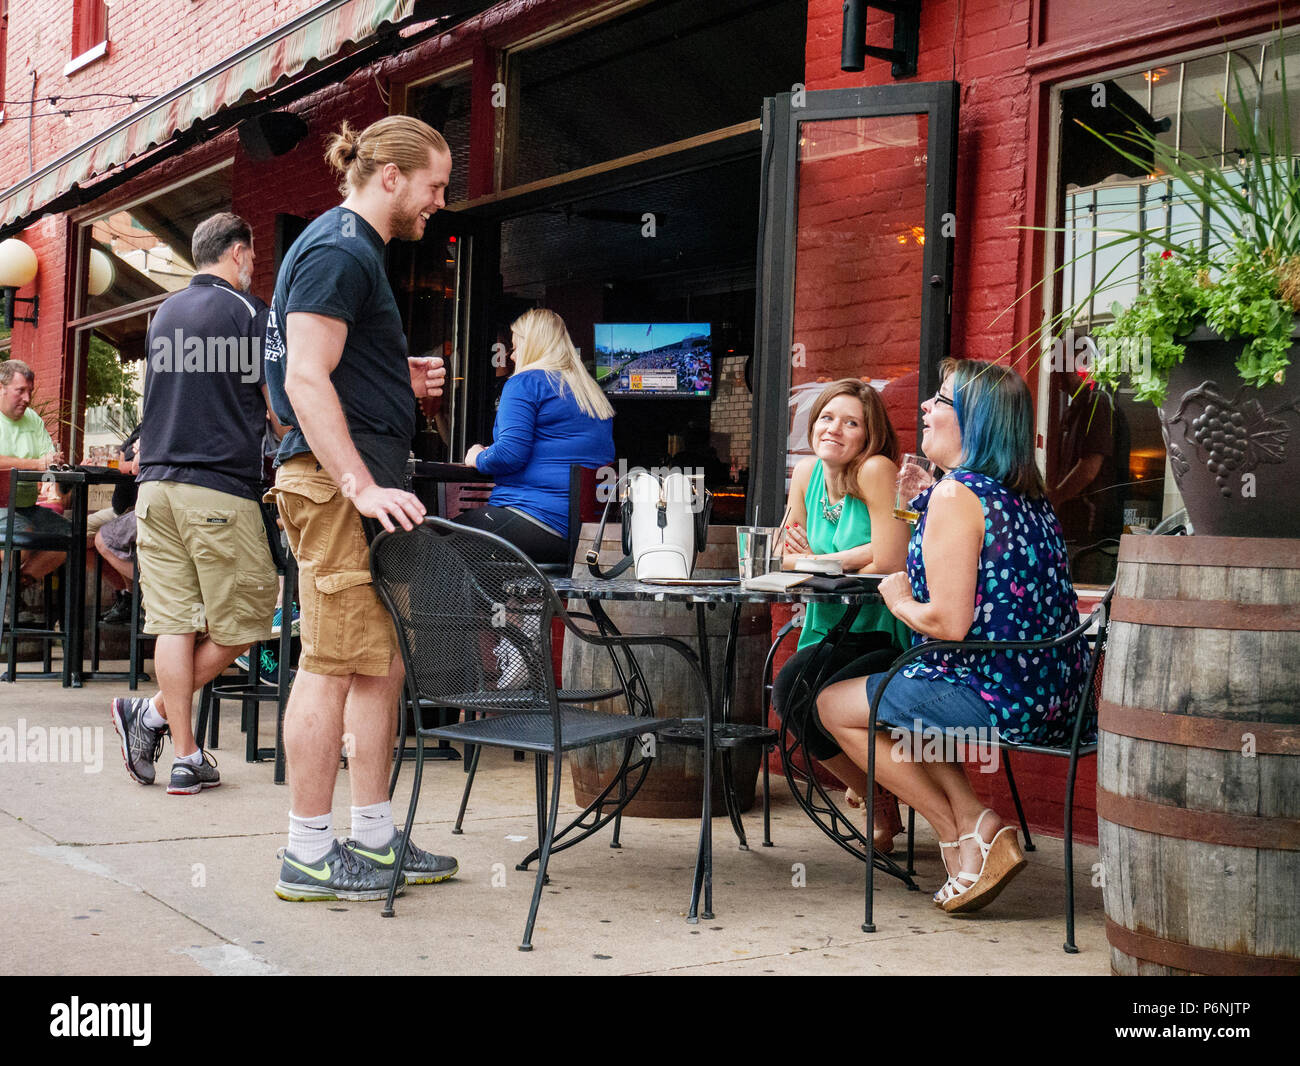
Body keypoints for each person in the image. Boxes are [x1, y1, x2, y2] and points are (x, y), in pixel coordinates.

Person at [263, 116, 457, 903]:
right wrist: (359, 485)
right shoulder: (342, 250)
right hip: (339, 489)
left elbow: (327, 370)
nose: (439, 202)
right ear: (389, 177)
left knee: (380, 664)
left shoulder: (350, 251)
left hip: (363, 484)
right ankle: (307, 852)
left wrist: (389, 379)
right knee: (332, 664)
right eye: (434, 186)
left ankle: (373, 837)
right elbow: (304, 379)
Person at [817, 358, 1088, 914]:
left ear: (976, 421)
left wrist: (896, 599)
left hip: (997, 695)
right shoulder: (1025, 496)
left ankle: (963, 830)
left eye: (940, 401)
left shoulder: (957, 495)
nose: (925, 407)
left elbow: (947, 624)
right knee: (912, 689)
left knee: (833, 705)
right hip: (1054, 694)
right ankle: (973, 827)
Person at [109, 213, 280, 796]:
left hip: (154, 490)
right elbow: (278, 409)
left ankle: (183, 753)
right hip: (218, 489)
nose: (254, 270)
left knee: (175, 623)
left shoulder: (164, 316)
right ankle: (154, 716)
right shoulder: (252, 315)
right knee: (252, 619)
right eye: (254, 259)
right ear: (237, 253)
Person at [770, 379, 911, 851]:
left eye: (851, 423)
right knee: (791, 696)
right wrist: (843, 559)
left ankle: (882, 792)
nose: (835, 429)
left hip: (880, 632)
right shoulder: (807, 475)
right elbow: (786, 557)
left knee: (805, 693)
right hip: (827, 626)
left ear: (868, 436)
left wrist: (827, 561)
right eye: (828, 417)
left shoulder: (875, 469)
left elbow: (890, 559)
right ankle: (880, 792)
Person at [461, 308, 614, 565]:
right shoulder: (590, 392)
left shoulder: (525, 383)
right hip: (583, 534)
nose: (511, 354)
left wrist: (477, 456)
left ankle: (460, 608)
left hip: (535, 520)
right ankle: (502, 606)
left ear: (532, 347)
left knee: (434, 539)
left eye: (516, 346)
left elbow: (509, 455)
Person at [0, 359, 68, 586]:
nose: (27, 399)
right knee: (24, 534)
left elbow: (46, 459)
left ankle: (13, 588)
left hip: (27, 507)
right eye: (20, 391)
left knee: (70, 535)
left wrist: (53, 463)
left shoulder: (34, 419)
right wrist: (37, 464)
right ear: (1, 388)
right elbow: (36, 462)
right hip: (0, 507)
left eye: (29, 392)